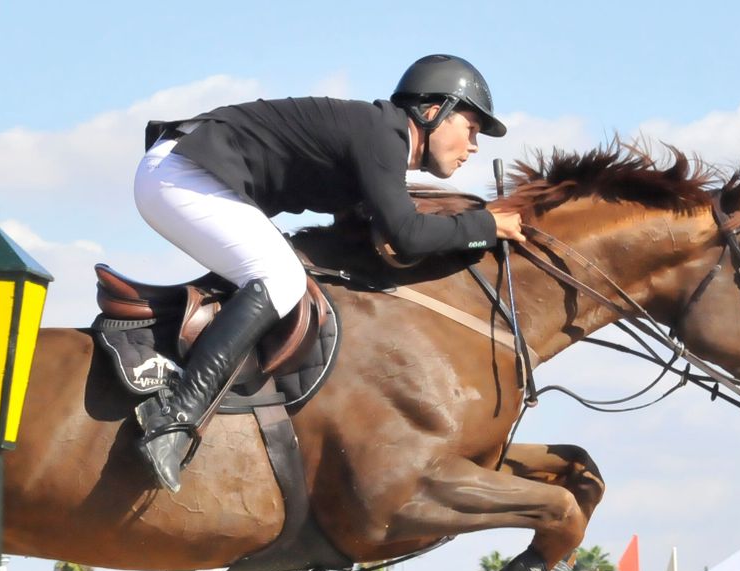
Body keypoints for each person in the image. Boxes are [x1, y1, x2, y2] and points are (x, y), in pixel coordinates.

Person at [131, 53, 526, 492]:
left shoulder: (381, 140)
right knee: (281, 278)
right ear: (434, 112)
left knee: (284, 272)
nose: (474, 146)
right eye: (471, 128)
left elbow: (382, 235)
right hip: (183, 174)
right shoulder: (382, 134)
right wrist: (487, 226)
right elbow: (409, 235)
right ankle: (175, 416)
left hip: (186, 173)